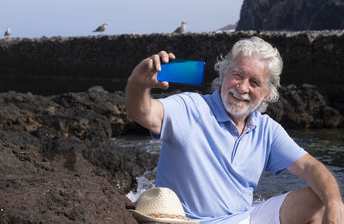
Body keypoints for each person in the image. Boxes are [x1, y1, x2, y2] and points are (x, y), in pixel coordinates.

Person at [125, 36, 344, 223]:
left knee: (318, 199)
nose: (242, 87)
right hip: (187, 221)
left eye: (255, 82)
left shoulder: (267, 130)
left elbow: (311, 167)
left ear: (267, 94)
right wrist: (138, 83)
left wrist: (335, 203)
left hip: (242, 218)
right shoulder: (192, 108)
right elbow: (144, 114)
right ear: (223, 75)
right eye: (237, 75)